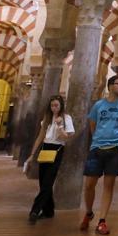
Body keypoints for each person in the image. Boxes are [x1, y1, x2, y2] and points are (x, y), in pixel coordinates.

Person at [81, 74, 118, 236]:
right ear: (110, 86)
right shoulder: (98, 106)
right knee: (89, 185)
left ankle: (102, 220)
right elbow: (93, 126)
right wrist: (100, 139)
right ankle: (89, 212)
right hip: (97, 148)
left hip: (115, 149)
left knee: (108, 186)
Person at [27, 94, 74, 223]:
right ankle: (49, 211)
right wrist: (32, 154)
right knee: (43, 182)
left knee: (48, 181)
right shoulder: (47, 119)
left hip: (57, 149)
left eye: (56, 105)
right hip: (45, 149)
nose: (54, 108)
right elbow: (40, 137)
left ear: (61, 106)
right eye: (52, 106)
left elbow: (66, 137)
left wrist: (60, 126)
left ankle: (35, 210)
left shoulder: (66, 118)